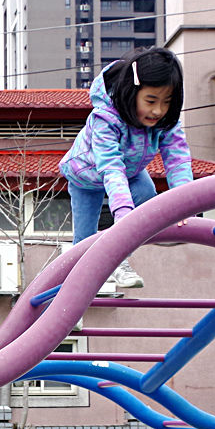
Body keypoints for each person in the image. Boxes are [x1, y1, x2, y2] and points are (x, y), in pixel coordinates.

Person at [59, 46, 194, 289]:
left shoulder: (164, 121)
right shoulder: (106, 120)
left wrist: (184, 203)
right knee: (84, 239)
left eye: (166, 102)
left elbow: (178, 158)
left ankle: (119, 257)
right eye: (151, 101)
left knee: (146, 196)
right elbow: (111, 168)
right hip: (87, 176)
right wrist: (122, 215)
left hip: (130, 172)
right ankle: (69, 297)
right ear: (132, 93)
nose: (158, 110)